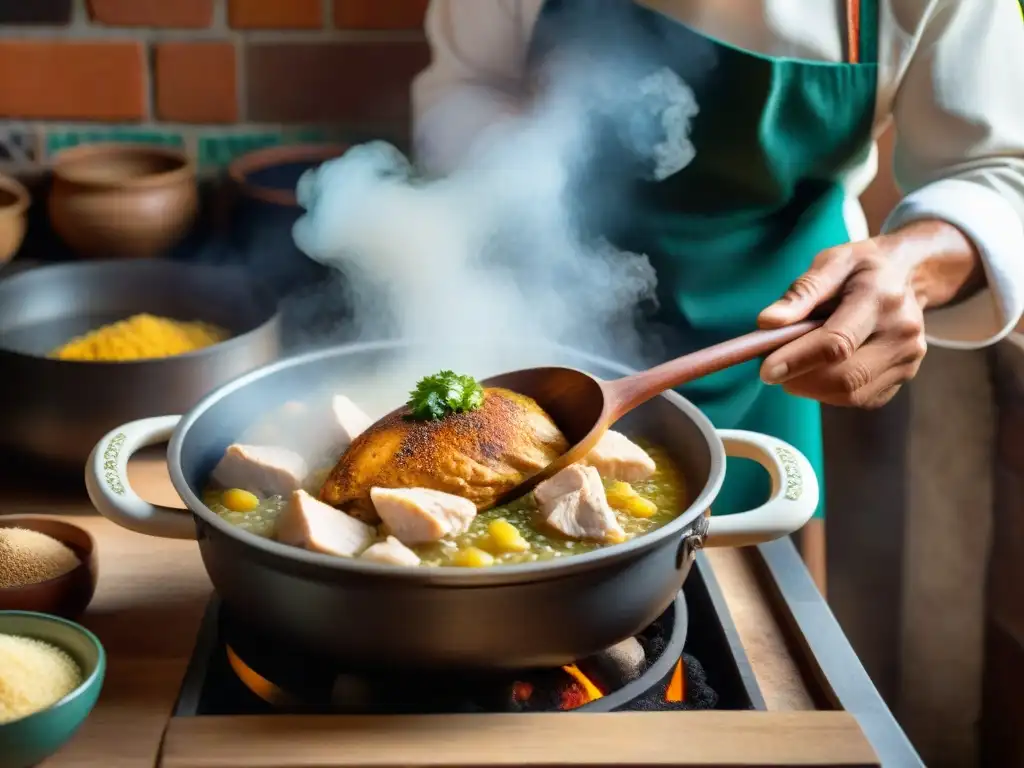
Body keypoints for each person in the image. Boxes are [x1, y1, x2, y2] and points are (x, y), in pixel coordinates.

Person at [410, 0, 1024, 588]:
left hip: (768, 350)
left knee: (771, 635)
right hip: (542, 323)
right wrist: (532, 154)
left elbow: (1000, 174)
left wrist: (909, 266)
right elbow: (463, 87)